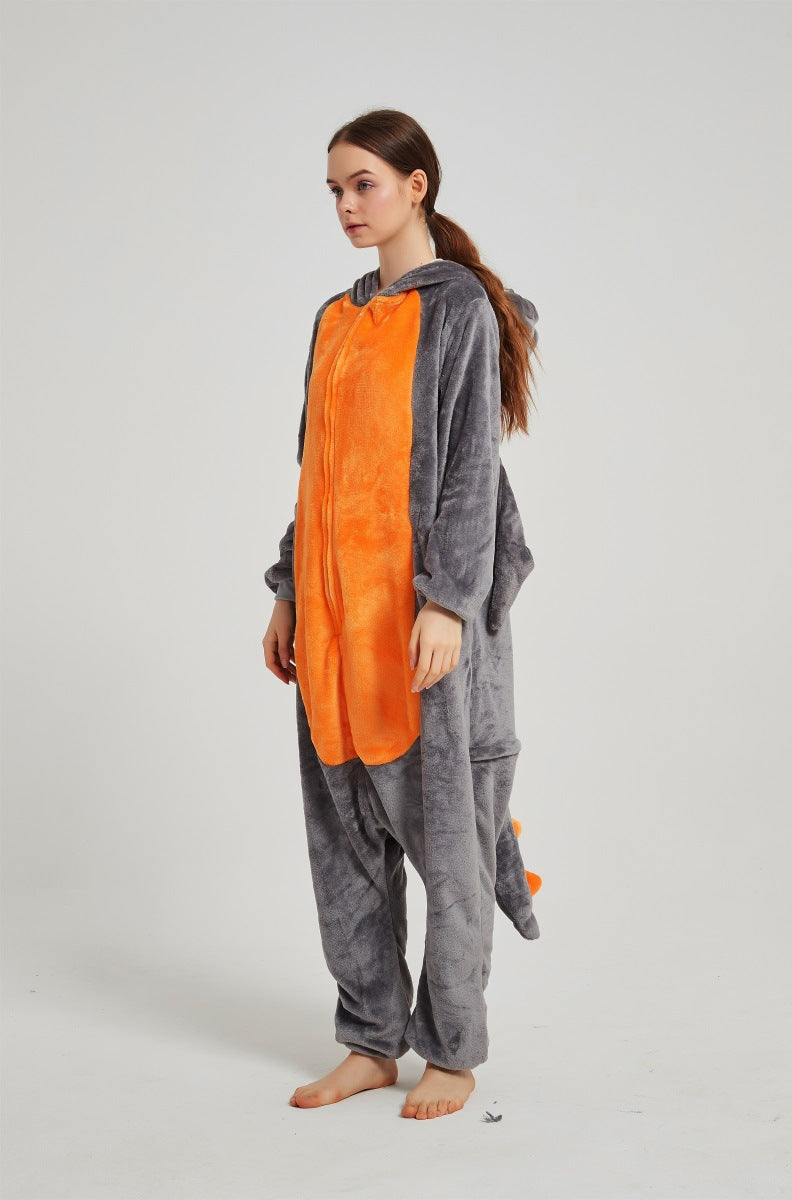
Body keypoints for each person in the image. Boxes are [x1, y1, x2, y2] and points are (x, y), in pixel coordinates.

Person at [262, 108, 542, 1121]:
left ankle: (452, 1051)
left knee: (450, 850)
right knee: (343, 848)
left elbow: (470, 469)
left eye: (363, 184)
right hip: (333, 635)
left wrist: (449, 604)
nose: (345, 205)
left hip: (418, 632)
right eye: (334, 190)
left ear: (416, 186)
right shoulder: (334, 320)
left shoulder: (458, 308)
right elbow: (316, 473)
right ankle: (369, 1042)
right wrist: (288, 591)